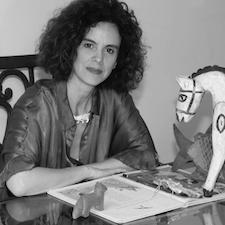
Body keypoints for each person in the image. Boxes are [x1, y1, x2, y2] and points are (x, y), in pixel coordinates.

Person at [0, 0, 159, 197]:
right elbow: (19, 182)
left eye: (109, 50)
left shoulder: (116, 99)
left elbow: (146, 155)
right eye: (89, 45)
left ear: (118, 60)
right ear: (70, 47)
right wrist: (89, 171)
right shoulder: (35, 103)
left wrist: (95, 170)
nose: (98, 58)